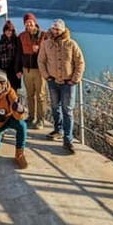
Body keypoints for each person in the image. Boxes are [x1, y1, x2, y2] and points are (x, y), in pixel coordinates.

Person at [38, 18, 86, 154]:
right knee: (54, 107)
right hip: (52, 81)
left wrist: (75, 79)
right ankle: (58, 130)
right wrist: (46, 76)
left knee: (68, 111)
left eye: (58, 29)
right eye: (54, 29)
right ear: (51, 29)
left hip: (68, 83)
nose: (56, 31)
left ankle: (68, 139)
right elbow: (41, 61)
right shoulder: (46, 44)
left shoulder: (71, 44)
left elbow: (80, 62)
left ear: (63, 29)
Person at [19, 12, 47, 129]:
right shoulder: (22, 36)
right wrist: (19, 69)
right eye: (26, 23)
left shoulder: (44, 35)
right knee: (30, 95)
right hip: (27, 70)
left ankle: (41, 119)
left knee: (40, 95)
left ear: (35, 22)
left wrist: (39, 48)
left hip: (40, 70)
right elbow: (19, 53)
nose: (29, 24)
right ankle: (31, 117)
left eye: (30, 22)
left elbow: (49, 51)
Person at [0, 20, 22, 91]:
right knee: (5, 89)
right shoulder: (2, 40)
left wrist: (20, 70)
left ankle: (15, 102)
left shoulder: (16, 40)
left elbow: (19, 55)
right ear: (4, 31)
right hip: (4, 69)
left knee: (13, 90)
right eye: (7, 30)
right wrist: (0, 67)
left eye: (10, 30)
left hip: (14, 69)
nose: (9, 32)